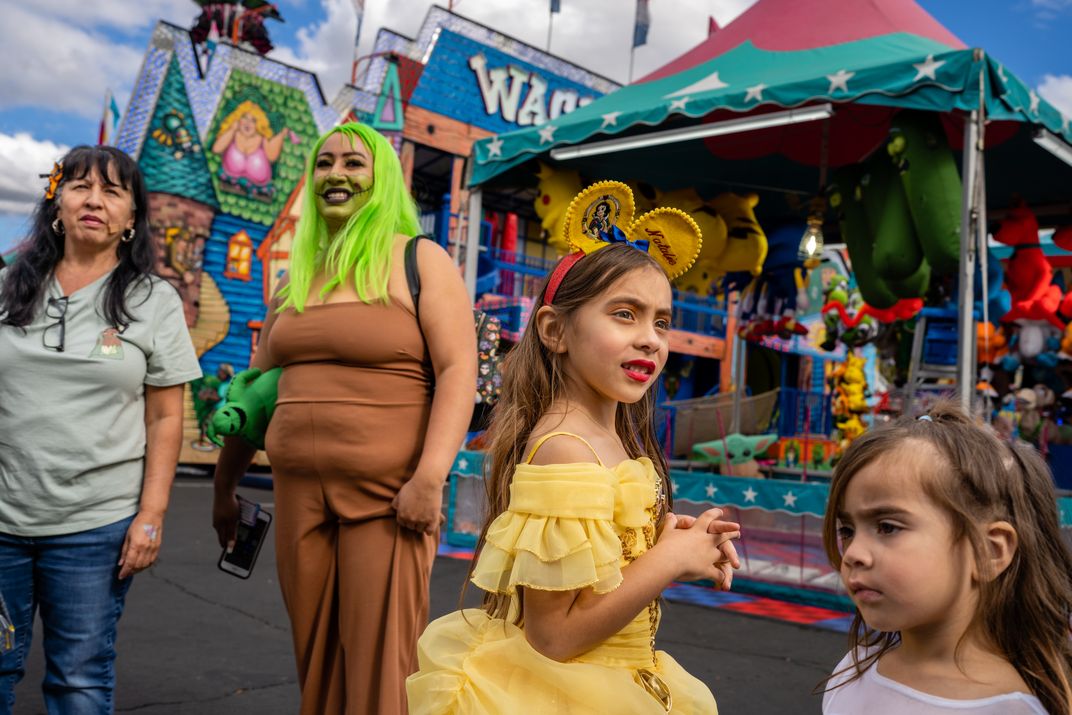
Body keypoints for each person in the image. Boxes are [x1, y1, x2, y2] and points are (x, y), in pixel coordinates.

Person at [407, 181, 740, 714]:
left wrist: (661, 534)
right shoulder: (567, 448)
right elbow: (556, 636)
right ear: (555, 330)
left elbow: (603, 555)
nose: (651, 339)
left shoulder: (607, 437)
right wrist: (669, 561)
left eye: (661, 321)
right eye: (624, 314)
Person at [211, 122, 476, 715]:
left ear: (381, 180)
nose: (336, 174)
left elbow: (459, 370)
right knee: (318, 655)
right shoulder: (293, 282)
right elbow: (255, 396)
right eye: (324, 163)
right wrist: (225, 487)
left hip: (389, 495)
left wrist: (430, 477)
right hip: (298, 495)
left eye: (354, 164)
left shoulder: (420, 260)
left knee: (381, 661)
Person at [0, 145, 201, 713]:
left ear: (132, 217)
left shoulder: (152, 300)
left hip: (95, 527)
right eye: (80, 186)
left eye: (113, 191)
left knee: (79, 679)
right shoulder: (9, 285)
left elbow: (166, 417)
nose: (94, 200)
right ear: (56, 202)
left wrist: (151, 518)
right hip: (2, 521)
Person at [821, 401, 1072, 715]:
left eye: (887, 527)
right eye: (847, 530)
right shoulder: (852, 671)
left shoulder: (1009, 709)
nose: (854, 554)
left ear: (989, 551)